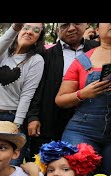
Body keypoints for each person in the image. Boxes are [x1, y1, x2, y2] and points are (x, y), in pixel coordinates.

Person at [26, 23, 99, 158]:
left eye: (76, 23)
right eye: (65, 25)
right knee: (45, 165)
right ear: (57, 29)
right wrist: (33, 117)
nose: (71, 28)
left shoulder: (99, 49)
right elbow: (34, 88)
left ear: (86, 24)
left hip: (91, 121)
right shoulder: (45, 54)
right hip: (50, 120)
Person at [0, 23, 46, 165]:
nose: (30, 32)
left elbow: (27, 94)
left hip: (12, 117)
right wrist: (15, 27)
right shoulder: (3, 54)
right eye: (26, 28)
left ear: (38, 38)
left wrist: (17, 124)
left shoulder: (36, 60)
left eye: (36, 30)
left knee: (10, 168)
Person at [55, 23, 111, 174]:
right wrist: (83, 94)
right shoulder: (82, 60)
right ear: (97, 30)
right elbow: (60, 99)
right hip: (82, 130)